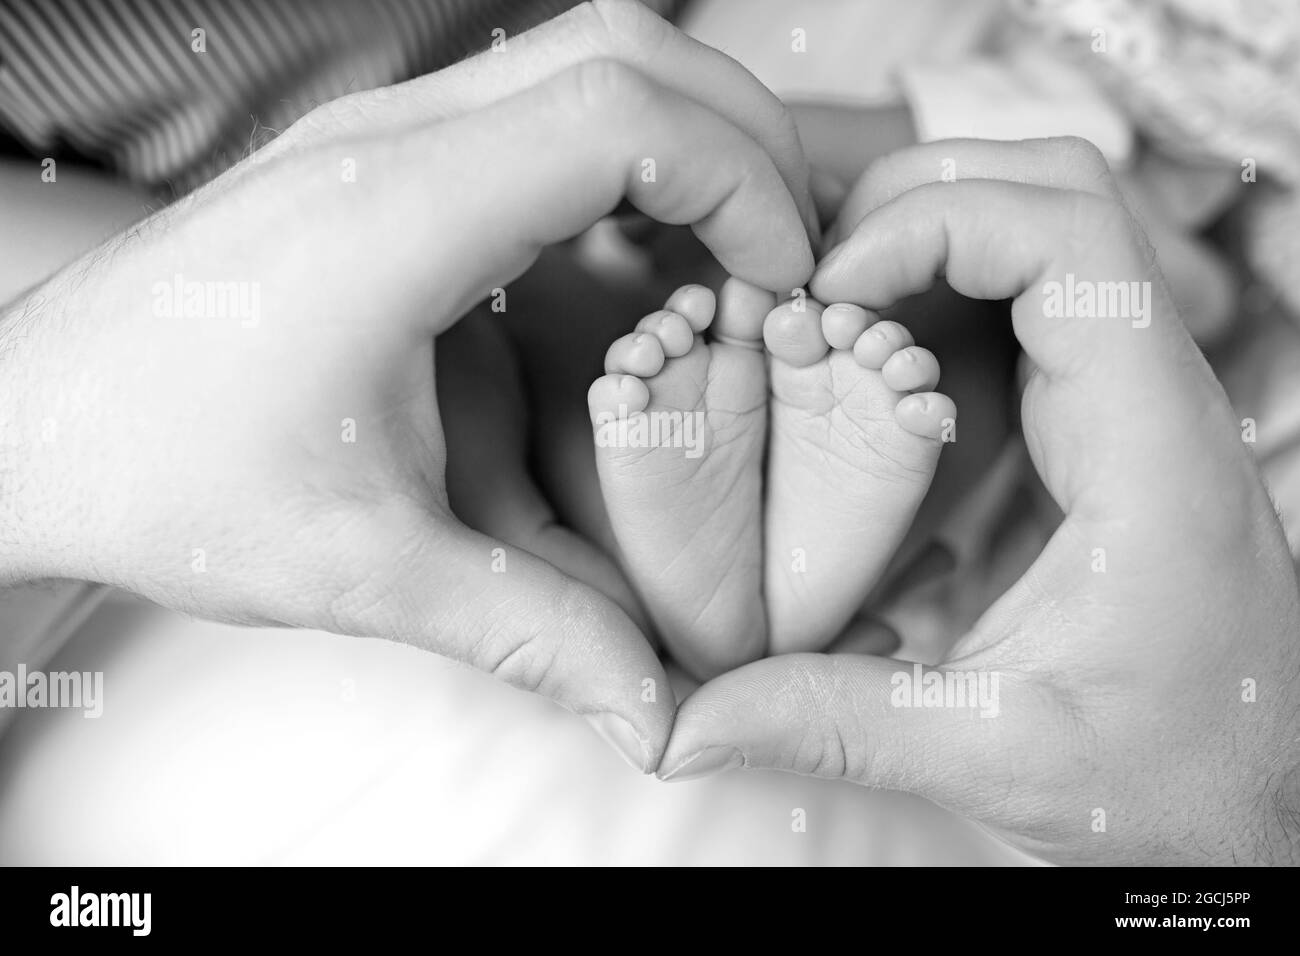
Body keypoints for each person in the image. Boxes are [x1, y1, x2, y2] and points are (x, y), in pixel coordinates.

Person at [1, 2, 1296, 864]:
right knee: (724, 274)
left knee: (685, 274)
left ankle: (754, 562)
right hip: (422, 211)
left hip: (545, 158)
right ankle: (774, 540)